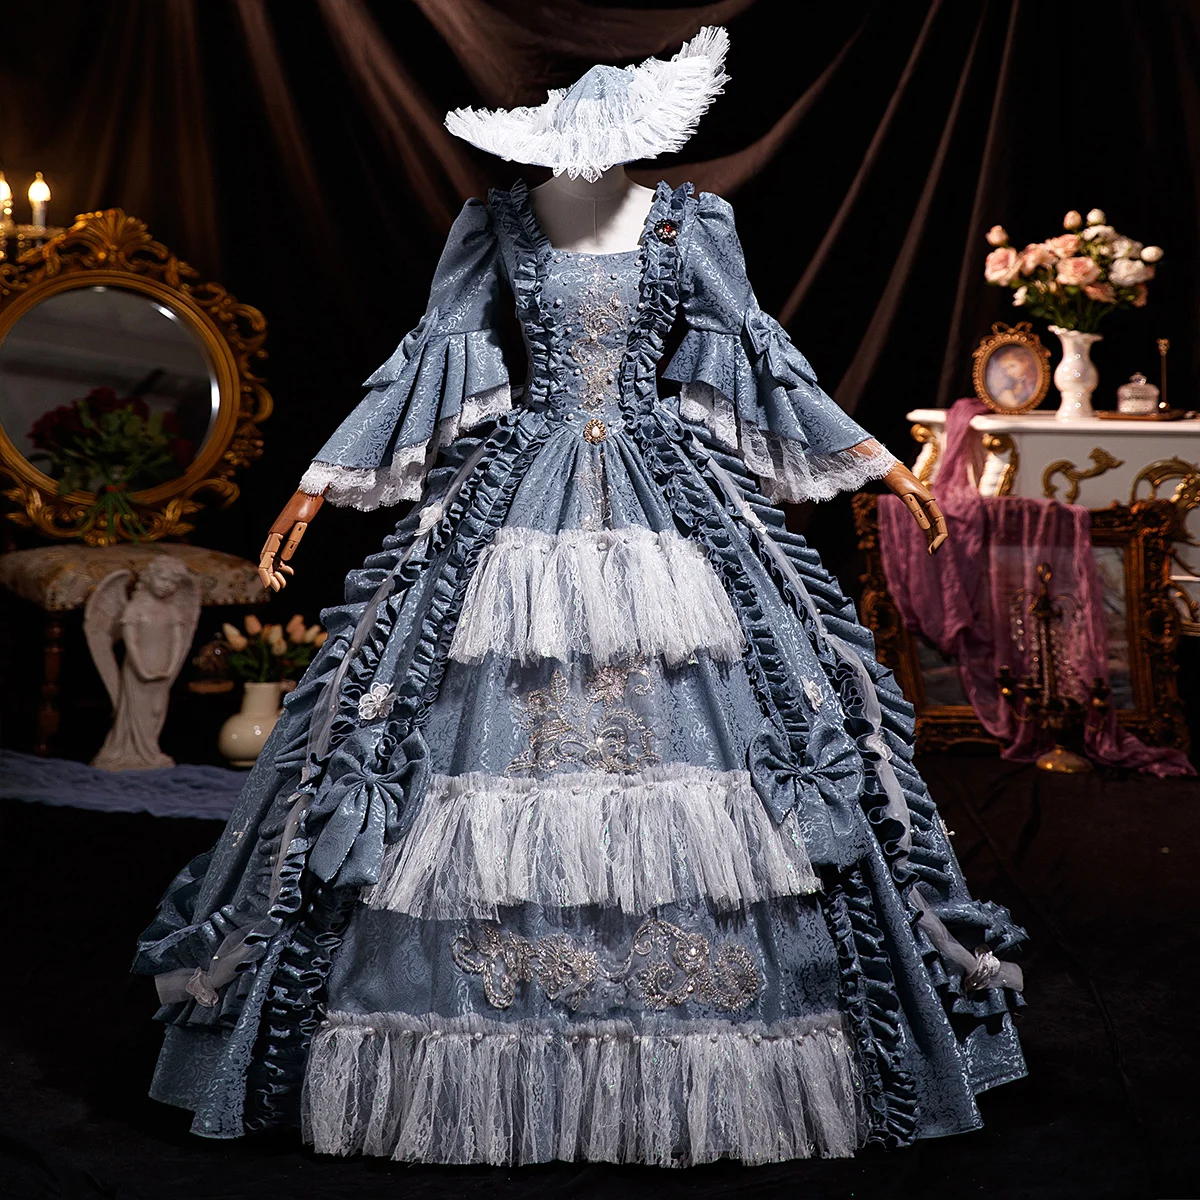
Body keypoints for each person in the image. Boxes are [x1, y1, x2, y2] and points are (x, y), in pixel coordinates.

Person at [136, 27, 1025, 1166]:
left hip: (668, 496)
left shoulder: (690, 224)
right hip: (520, 488)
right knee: (432, 728)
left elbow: (755, 348)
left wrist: (880, 462)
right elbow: (431, 353)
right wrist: (316, 481)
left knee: (741, 724)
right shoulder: (498, 223)